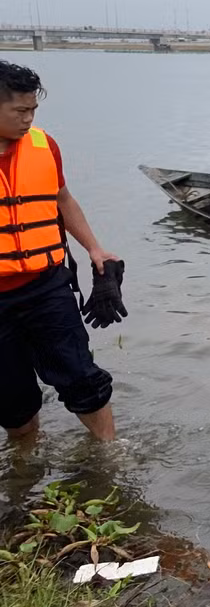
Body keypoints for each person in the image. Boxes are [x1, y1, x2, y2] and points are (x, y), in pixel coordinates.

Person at [0, 60, 124, 441]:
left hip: (46, 285)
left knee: (82, 376)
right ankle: (25, 465)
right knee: (11, 401)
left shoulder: (43, 145)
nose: (28, 119)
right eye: (20, 111)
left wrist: (94, 249)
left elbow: (63, 199)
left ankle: (110, 454)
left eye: (33, 110)